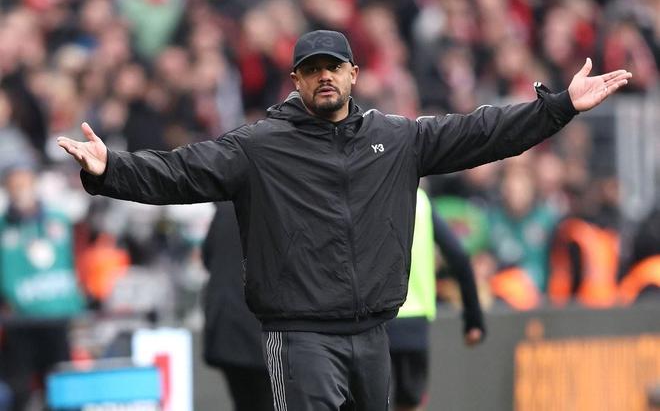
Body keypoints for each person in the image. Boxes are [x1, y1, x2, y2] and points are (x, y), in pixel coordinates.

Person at [57, 29, 632, 411]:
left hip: (373, 333)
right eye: (311, 70)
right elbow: (181, 172)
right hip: (300, 334)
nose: (324, 76)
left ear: (354, 73)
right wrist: (112, 169)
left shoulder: (396, 138)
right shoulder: (260, 147)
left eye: (333, 67)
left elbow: (483, 133)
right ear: (296, 82)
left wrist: (559, 108)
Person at [386, 188, 484, 411]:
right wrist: (473, 319)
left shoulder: (366, 192)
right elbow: (458, 256)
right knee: (409, 404)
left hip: (373, 321)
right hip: (414, 322)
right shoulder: (420, 202)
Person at [0, 163, 85, 411]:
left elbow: (72, 262)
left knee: (62, 389)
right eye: (15, 186)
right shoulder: (4, 227)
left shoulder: (58, 220)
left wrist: (76, 302)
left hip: (57, 320)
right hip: (19, 324)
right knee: (20, 391)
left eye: (25, 184)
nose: (21, 191)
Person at [201, 202, 273, 411]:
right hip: (261, 332)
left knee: (245, 401)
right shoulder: (278, 206)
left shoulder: (226, 210)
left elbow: (208, 258)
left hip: (226, 330)